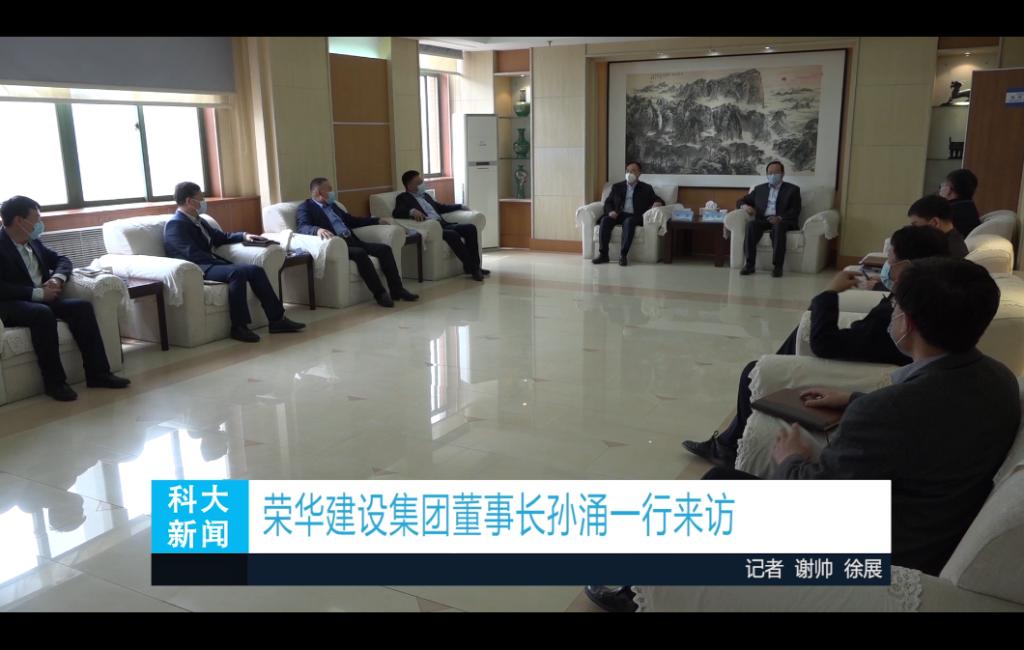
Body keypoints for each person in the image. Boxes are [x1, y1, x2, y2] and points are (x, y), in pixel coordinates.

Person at [591, 257, 1020, 611]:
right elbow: (932, 420)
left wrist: (791, 458)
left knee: (716, 490)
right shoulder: (999, 380)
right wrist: (854, 399)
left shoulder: (886, 411)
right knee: (722, 483)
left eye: (894, 309)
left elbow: (813, 497)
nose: (890, 315)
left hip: (890, 544)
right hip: (933, 520)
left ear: (907, 324)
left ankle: (645, 592)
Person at [683, 225, 951, 468]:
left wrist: (829, 293)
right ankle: (728, 441)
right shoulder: (932, 298)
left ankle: (728, 446)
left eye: (889, 261)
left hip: (859, 366)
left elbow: (826, 344)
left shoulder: (900, 318)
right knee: (799, 332)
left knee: (754, 371)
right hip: (863, 354)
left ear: (905, 268)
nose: (886, 267)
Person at [0, 195, 131, 401]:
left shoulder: (33, 242)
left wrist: (57, 278)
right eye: (36, 219)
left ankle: (98, 374)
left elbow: (62, 260)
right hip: (12, 304)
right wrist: (37, 293)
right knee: (42, 313)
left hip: (43, 298)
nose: (40, 223)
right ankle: (55, 383)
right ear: (19, 220)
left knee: (82, 308)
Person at [163, 182, 305, 343]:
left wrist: (244, 236)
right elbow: (192, 254)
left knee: (255, 270)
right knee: (236, 273)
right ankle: (239, 327)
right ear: (189, 201)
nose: (203, 201)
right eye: (200, 198)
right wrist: (224, 264)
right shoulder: (175, 224)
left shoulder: (198, 220)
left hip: (211, 264)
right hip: (198, 268)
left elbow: (219, 237)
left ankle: (277, 320)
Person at [296, 177, 418, 308]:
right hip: (339, 245)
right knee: (360, 253)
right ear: (318, 192)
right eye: (329, 189)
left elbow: (351, 220)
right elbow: (303, 227)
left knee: (384, 249)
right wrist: (317, 230)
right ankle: (380, 294)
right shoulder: (306, 207)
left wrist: (376, 220)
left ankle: (397, 289)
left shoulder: (333, 206)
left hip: (352, 240)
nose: (332, 192)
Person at [393, 171, 489, 281]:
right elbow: (397, 212)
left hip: (443, 224)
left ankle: (475, 266)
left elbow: (441, 207)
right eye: (419, 183)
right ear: (409, 186)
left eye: (421, 181)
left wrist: (460, 206)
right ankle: (474, 270)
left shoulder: (425, 196)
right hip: (432, 228)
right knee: (453, 234)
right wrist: (412, 211)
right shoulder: (403, 197)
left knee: (470, 228)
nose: (422, 184)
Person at [592, 161, 665, 266]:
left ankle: (623, 255)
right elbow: (608, 202)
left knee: (629, 222)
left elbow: (657, 199)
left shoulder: (646, 188)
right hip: (618, 214)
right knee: (605, 220)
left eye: (633, 171)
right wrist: (611, 211)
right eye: (627, 171)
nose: (629, 173)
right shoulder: (617, 187)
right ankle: (603, 255)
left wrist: (658, 202)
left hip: (635, 216)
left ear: (639, 173)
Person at [738, 161, 802, 278]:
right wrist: (745, 207)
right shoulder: (759, 189)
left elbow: (795, 210)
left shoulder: (793, 189)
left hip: (782, 220)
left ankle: (778, 267)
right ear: (767, 174)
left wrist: (780, 218)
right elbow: (741, 201)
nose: (773, 175)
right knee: (751, 225)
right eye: (770, 173)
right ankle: (749, 265)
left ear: (782, 174)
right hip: (764, 219)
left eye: (776, 172)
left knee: (778, 227)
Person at [907, 194, 968, 258]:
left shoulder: (945, 254)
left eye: (915, 225)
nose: (912, 230)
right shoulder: (953, 243)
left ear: (935, 223)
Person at [939, 168, 981, 237]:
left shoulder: (947, 212)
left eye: (944, 184)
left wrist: (940, 200)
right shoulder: (969, 206)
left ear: (949, 189)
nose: (941, 187)